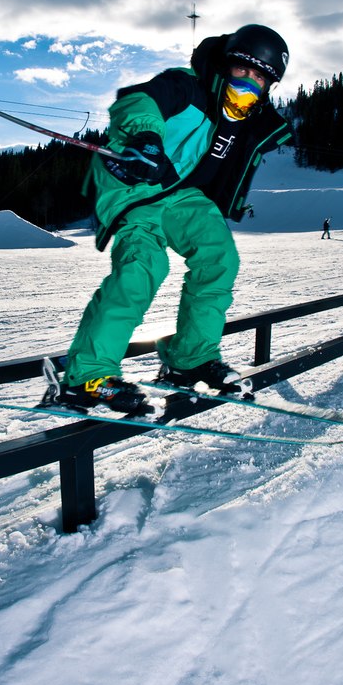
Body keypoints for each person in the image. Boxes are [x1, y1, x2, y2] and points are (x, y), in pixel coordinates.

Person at [56, 24, 293, 415]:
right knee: (143, 266)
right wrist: (146, 138)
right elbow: (140, 101)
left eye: (260, 78)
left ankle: (190, 358)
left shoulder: (250, 119)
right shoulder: (189, 86)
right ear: (227, 65)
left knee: (219, 257)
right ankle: (87, 376)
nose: (248, 83)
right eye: (242, 70)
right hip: (136, 185)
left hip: (181, 193)